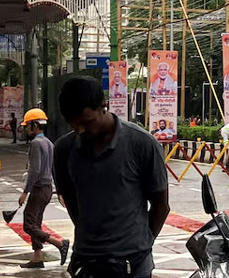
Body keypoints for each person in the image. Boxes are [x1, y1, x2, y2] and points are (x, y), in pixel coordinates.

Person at [54, 76, 169, 278]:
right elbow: (71, 200)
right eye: (73, 124)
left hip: (133, 265)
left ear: (103, 106)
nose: (79, 130)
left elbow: (161, 205)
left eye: (86, 122)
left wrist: (141, 244)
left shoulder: (141, 144)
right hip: (85, 261)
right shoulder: (64, 149)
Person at [19, 108, 70, 269]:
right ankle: (37, 257)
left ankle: (59, 243)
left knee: (28, 224)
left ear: (34, 125)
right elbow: (55, 169)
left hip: (39, 189)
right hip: (47, 189)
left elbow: (34, 171)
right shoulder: (49, 143)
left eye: (27, 125)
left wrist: (25, 192)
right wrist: (59, 191)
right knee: (36, 222)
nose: (26, 129)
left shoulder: (36, 143)